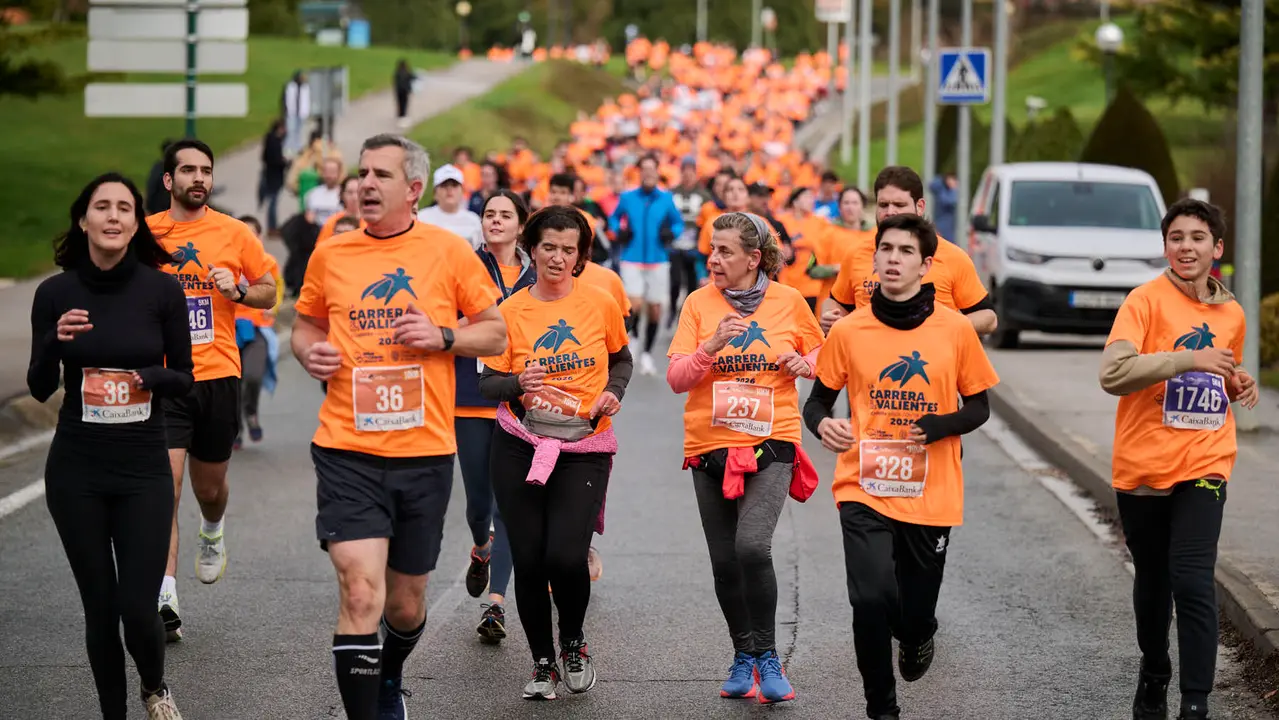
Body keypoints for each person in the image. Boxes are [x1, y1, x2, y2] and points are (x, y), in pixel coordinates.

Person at [292, 133, 507, 720]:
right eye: (363, 173)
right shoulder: (332, 253)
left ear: (414, 190)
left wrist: (444, 336)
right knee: (361, 591)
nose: (366, 184)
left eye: (381, 175)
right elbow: (305, 325)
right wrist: (309, 352)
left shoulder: (448, 252)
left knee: (406, 606)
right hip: (345, 447)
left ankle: (389, 677)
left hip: (424, 451)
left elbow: (495, 333)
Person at [804, 213, 1000, 720]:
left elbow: (979, 408)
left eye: (904, 251)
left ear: (926, 264)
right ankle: (881, 709)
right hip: (863, 483)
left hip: (931, 488)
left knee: (913, 612)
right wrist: (824, 425)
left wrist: (938, 426)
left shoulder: (955, 329)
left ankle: (918, 633)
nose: (892, 258)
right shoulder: (849, 329)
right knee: (870, 599)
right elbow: (817, 402)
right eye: (885, 249)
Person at [29, 172, 193, 719]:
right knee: (99, 608)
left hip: (143, 467)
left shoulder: (161, 290)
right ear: (84, 219)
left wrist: (150, 376)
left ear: (136, 222)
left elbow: (185, 378)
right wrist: (55, 339)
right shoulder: (55, 294)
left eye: (126, 207)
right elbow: (37, 385)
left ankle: (154, 686)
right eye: (102, 206)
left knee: (135, 606)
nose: (115, 215)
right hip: (77, 469)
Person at [1098, 199, 1259, 720]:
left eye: (1197, 237)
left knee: (1192, 576)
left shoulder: (1231, 313)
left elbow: (1215, 381)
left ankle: (1195, 702)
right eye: (1176, 237)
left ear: (1218, 247)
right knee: (1153, 581)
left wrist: (1235, 384)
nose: (1186, 247)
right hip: (1143, 466)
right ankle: (1155, 668)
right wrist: (1190, 359)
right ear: (1165, 245)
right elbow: (1113, 374)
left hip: (1205, 460)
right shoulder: (1143, 302)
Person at [666, 211, 823, 705]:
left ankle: (769, 656)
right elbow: (677, 379)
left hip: (771, 438)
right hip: (709, 444)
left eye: (725, 252)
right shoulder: (697, 304)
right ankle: (743, 655)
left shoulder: (790, 302)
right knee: (723, 560)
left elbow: (824, 357)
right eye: (712, 250)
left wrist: (805, 363)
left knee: (752, 546)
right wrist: (710, 346)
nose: (713, 259)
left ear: (754, 258)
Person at [478, 205, 633, 700]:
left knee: (566, 556)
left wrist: (614, 392)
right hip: (520, 445)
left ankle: (573, 641)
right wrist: (516, 383)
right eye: (549, 247)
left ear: (581, 254)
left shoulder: (601, 302)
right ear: (532, 248)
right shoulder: (510, 311)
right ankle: (542, 662)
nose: (559, 258)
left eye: (569, 249)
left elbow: (621, 359)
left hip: (583, 445)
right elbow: (486, 382)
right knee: (529, 558)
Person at [147, 139, 278, 642]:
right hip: (166, 378)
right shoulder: (149, 234)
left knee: (208, 488)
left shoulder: (233, 232)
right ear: (168, 181)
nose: (197, 178)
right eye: (187, 170)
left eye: (205, 170)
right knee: (166, 486)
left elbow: (269, 287)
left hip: (219, 374)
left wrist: (239, 290)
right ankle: (164, 593)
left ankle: (213, 527)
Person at [454, 190, 534, 643]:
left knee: (507, 503)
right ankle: (481, 549)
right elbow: (445, 323)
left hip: (519, 399)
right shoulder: (464, 266)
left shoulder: (535, 272)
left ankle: (496, 604)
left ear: (520, 224)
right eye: (489, 214)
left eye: (506, 215)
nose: (496, 221)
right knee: (477, 503)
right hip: (470, 394)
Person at [819, 166, 996, 337]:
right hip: (867, 362)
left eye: (899, 204)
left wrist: (948, 328)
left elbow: (988, 317)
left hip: (928, 362)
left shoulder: (952, 257)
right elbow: (837, 301)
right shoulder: (857, 253)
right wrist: (830, 316)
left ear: (919, 207)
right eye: (883, 205)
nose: (890, 212)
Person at [608, 153, 684, 375]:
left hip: (658, 259)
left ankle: (648, 354)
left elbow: (678, 223)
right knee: (635, 304)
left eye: (652, 169)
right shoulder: (628, 197)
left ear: (657, 173)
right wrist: (619, 231)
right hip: (631, 257)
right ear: (640, 172)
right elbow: (614, 218)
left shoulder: (666, 199)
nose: (648, 173)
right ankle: (634, 339)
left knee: (655, 310)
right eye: (645, 169)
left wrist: (671, 233)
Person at [233, 216, 283, 450]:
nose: (248, 238)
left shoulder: (267, 262)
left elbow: (277, 288)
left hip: (256, 328)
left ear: (260, 237)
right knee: (231, 382)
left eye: (253, 233)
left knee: (252, 375)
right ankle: (235, 429)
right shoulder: (225, 260)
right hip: (228, 328)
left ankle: (251, 411)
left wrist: (274, 307)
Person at [418, 164, 485, 249]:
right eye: (444, 185)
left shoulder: (474, 220)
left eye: (454, 185)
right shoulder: (422, 218)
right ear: (435, 193)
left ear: (462, 191)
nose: (449, 189)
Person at [394, 59, 414, 128]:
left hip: (399, 91)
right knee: (404, 103)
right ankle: (403, 116)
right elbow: (412, 77)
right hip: (405, 91)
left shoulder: (397, 72)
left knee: (399, 103)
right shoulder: (407, 72)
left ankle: (400, 115)